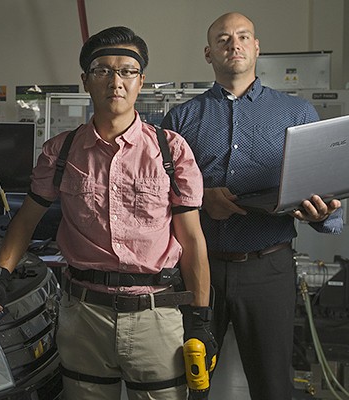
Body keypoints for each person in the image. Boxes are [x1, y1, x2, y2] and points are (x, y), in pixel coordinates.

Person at [0, 26, 216, 400]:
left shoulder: (171, 151)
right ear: (86, 80)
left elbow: (192, 239)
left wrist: (200, 321)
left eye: (126, 71)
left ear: (140, 81)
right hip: (82, 316)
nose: (115, 81)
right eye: (103, 70)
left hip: (155, 316)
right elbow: (26, 220)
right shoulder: (60, 152)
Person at [161, 12, 343, 400]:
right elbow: (159, 195)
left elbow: (321, 189)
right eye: (224, 39)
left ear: (257, 47)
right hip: (197, 269)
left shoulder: (297, 114)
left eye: (243, 36)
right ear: (209, 53)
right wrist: (202, 200)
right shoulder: (180, 119)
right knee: (187, 381)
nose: (234, 44)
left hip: (269, 268)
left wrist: (324, 213)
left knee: (272, 385)